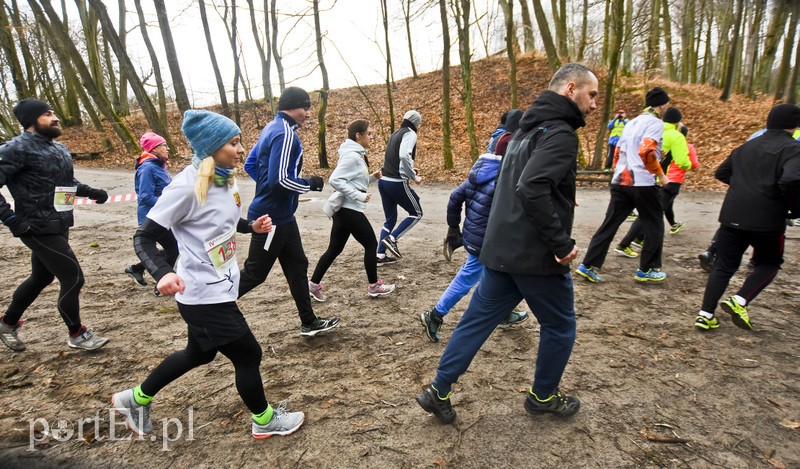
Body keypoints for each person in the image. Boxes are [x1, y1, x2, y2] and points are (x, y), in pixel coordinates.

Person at [415, 63, 598, 423]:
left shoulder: (524, 131)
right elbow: (531, 187)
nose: (594, 104)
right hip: (535, 256)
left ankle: (438, 390)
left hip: (500, 249)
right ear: (570, 89)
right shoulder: (560, 133)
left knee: (475, 322)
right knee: (560, 325)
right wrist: (561, 244)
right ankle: (543, 396)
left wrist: (561, 198)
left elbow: (518, 185)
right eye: (591, 95)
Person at [112, 110, 304, 439]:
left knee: (199, 354)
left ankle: (135, 399)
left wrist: (250, 227)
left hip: (221, 286)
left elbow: (220, 221)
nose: (241, 149)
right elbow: (143, 237)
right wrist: (162, 272)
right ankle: (264, 420)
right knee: (249, 354)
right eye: (233, 143)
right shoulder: (185, 188)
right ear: (211, 147)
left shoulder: (224, 178)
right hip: (202, 294)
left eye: (240, 141)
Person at [0, 98, 109, 352]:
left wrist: (91, 192)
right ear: (31, 120)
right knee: (73, 277)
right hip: (35, 227)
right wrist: (11, 220)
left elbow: (65, 183)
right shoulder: (15, 149)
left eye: (53, 112)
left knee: (41, 277)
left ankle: (7, 324)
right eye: (48, 114)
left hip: (60, 222)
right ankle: (77, 334)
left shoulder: (58, 148)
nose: (56, 117)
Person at [240, 86, 340, 337]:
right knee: (255, 274)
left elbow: (251, 164)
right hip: (270, 218)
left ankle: (309, 322)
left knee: (297, 265)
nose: (308, 113)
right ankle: (211, 306)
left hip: (283, 215)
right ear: (293, 107)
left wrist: (268, 188)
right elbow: (281, 181)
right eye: (305, 108)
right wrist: (309, 184)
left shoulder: (271, 128)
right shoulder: (285, 134)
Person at [693, 104, 800, 331]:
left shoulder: (747, 146)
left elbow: (722, 172)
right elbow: (791, 180)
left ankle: (705, 314)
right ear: (794, 125)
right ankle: (740, 299)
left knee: (722, 266)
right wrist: (794, 208)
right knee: (769, 263)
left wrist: (744, 187)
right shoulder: (794, 149)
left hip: (732, 215)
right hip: (768, 220)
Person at [425, 110, 528, 343]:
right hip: (487, 240)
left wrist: (454, 228)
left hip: (480, 237)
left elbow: (455, 196)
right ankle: (434, 315)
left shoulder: (483, 167)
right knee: (469, 278)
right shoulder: (504, 175)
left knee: (502, 275)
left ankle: (503, 313)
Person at [575, 87, 671, 283]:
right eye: (667, 104)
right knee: (654, 223)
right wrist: (661, 175)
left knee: (610, 223)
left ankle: (587, 264)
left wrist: (618, 171)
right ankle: (647, 269)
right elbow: (646, 151)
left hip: (621, 180)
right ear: (662, 105)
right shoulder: (655, 123)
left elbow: (618, 151)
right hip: (643, 183)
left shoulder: (631, 122)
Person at [308, 120, 395, 300]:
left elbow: (352, 180)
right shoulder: (352, 157)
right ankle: (374, 286)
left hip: (344, 210)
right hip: (349, 210)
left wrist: (371, 178)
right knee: (371, 245)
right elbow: (335, 180)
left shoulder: (355, 154)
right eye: (368, 133)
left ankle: (312, 285)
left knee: (334, 249)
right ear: (358, 135)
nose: (371, 137)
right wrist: (358, 195)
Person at [614, 108, 697, 256]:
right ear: (677, 121)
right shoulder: (676, 136)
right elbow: (682, 161)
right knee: (652, 214)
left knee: (655, 210)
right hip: (667, 179)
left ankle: (639, 239)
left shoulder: (654, 129)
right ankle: (626, 245)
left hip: (647, 177)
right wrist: (689, 165)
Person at [124, 132, 179, 295]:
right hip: (153, 217)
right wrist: (168, 207)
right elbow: (145, 196)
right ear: (154, 149)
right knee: (174, 248)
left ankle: (137, 268)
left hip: (163, 215)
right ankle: (162, 283)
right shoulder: (147, 168)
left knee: (173, 248)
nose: (167, 148)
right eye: (164, 145)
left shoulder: (158, 166)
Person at [376, 110, 424, 263]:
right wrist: (413, 176)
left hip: (383, 181)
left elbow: (394, 158)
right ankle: (392, 238)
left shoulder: (396, 133)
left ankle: (380, 255)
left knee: (390, 219)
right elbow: (404, 155)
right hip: (396, 183)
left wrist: (410, 169)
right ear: (416, 123)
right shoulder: (410, 133)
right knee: (416, 213)